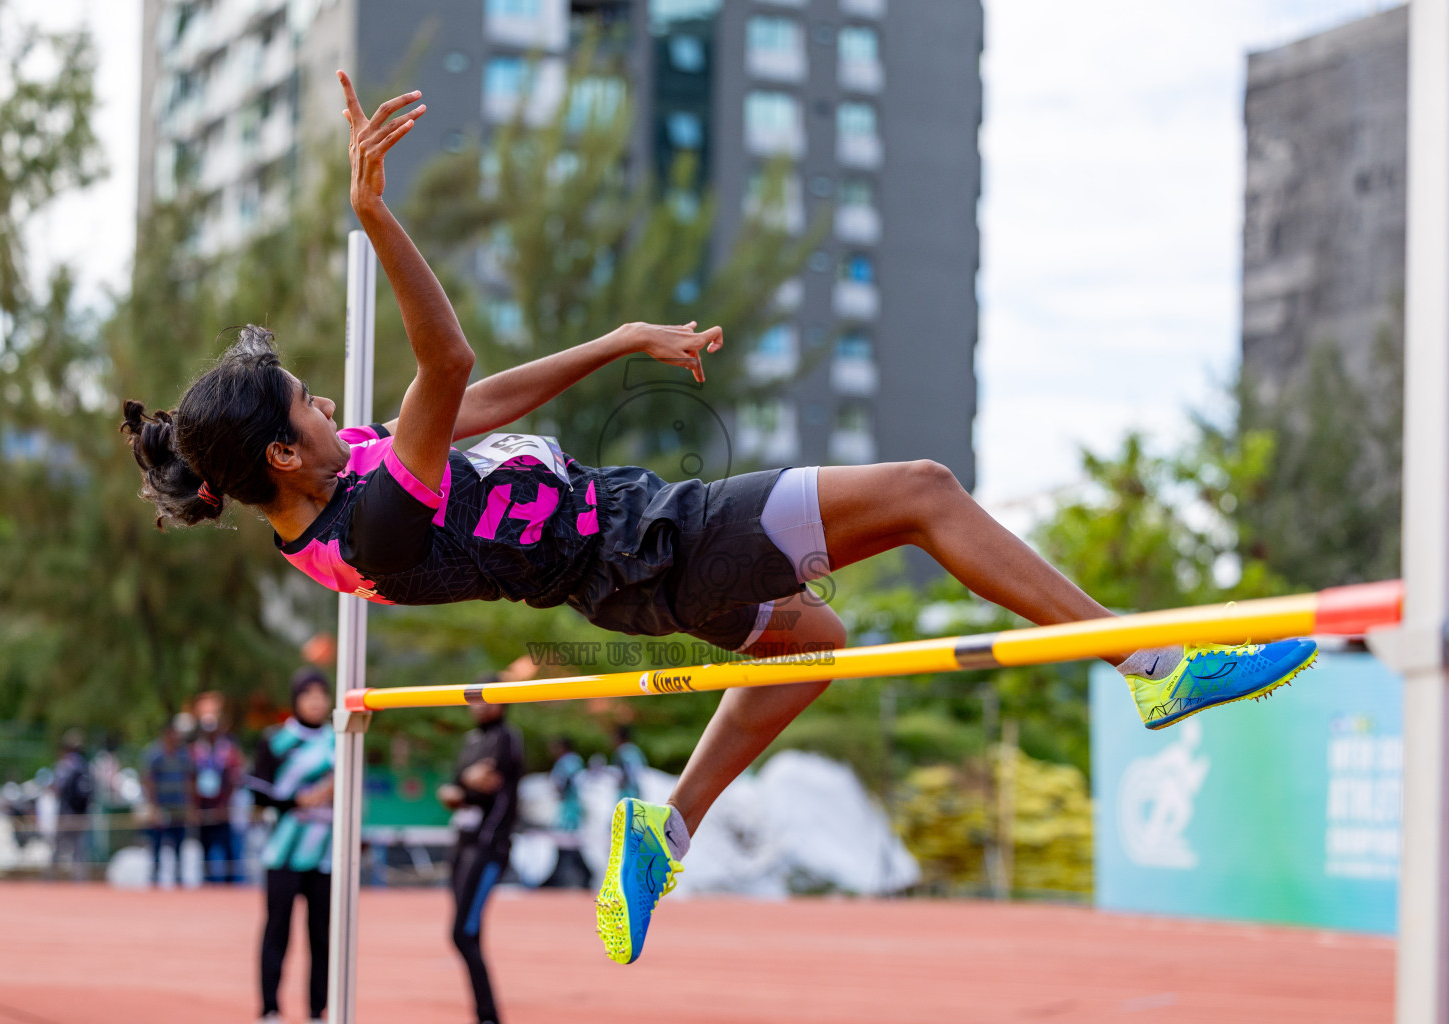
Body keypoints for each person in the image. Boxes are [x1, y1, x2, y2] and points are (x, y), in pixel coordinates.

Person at [119, 73, 1320, 965]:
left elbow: (471, 401)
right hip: (658, 541)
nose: (330, 403)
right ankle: (1149, 658)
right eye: (307, 404)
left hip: (634, 559)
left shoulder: (352, 485)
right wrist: (380, 221)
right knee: (923, 493)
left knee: (816, 644)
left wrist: (618, 342)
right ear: (283, 453)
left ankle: (668, 828)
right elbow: (446, 362)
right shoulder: (367, 530)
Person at [246, 668, 336, 1024]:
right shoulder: (277, 741)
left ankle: (318, 1011)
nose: (316, 702)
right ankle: (270, 1008)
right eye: (308, 695)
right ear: (296, 700)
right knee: (277, 931)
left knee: (323, 936)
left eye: (321, 694)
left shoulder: (340, 738)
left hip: (327, 854)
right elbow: (259, 791)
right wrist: (299, 801)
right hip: (283, 852)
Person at [437, 668, 525, 1024]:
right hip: (463, 845)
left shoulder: (507, 737)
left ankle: (488, 1014)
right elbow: (459, 786)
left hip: (488, 847)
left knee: (462, 933)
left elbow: (482, 783)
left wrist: (463, 788)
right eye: (474, 696)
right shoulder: (472, 740)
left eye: (486, 695)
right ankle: (485, 1014)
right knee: (468, 933)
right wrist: (461, 785)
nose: (478, 703)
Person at [190, 691, 245, 884]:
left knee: (230, 851)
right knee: (206, 852)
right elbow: (191, 778)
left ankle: (232, 886)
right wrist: (195, 806)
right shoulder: (196, 748)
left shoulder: (229, 747)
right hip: (204, 808)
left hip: (225, 809)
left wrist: (226, 805)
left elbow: (235, 777)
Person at [142, 715, 197, 887]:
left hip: (179, 808)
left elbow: (190, 780)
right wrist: (153, 806)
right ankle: (155, 877)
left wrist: (190, 806)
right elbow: (148, 780)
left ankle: (178, 877)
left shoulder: (183, 755)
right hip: (162, 808)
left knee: (179, 845)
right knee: (157, 845)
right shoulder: (154, 754)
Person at [544, 736, 591, 889]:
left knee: (567, 840)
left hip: (569, 809)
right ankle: (561, 874)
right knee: (567, 841)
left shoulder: (567, 762)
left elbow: (564, 783)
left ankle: (583, 874)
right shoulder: (575, 761)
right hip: (570, 807)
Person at [51, 728, 94, 881]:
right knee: (79, 851)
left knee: (58, 848)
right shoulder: (85, 765)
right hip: (81, 813)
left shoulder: (66, 764)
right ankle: (79, 881)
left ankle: (50, 878)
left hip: (66, 812)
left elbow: (58, 787)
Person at [611, 725, 647, 804]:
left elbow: (630, 771)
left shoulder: (623, 751)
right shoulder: (636, 750)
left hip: (627, 792)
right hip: (637, 791)